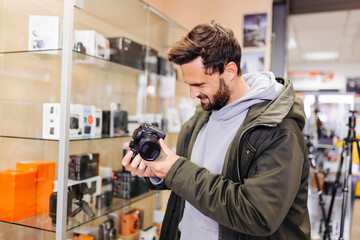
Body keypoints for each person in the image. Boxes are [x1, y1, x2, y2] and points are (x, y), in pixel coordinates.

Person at [122, 21, 310, 240]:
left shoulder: (279, 131)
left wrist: (175, 170)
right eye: (189, 85)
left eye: (200, 85)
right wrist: (158, 173)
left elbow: (258, 214)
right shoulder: (200, 119)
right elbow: (189, 183)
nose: (192, 94)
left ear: (229, 70)